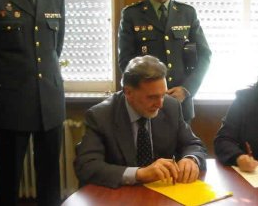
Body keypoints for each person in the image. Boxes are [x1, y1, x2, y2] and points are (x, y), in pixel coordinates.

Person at [0, 0, 65, 206]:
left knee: (50, 179)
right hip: (10, 104)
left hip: (49, 101)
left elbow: (54, 50)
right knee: (9, 179)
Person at [74, 55, 207, 188]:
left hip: (161, 193)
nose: (160, 104)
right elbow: (86, 166)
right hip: (119, 195)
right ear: (128, 92)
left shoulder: (171, 106)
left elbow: (193, 144)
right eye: (152, 97)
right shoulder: (101, 115)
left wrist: (190, 159)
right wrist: (140, 174)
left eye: (163, 95)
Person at [118, 0, 212, 124]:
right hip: (145, 105)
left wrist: (187, 89)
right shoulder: (132, 14)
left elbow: (205, 55)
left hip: (181, 104)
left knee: (185, 150)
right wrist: (146, 92)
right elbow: (126, 61)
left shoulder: (187, 13)